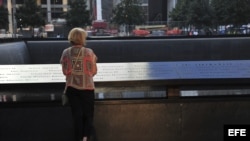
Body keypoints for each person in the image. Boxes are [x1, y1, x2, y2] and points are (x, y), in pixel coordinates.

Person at [60, 27, 98, 141]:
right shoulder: (89, 52)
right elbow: (94, 71)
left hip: (72, 89)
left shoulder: (66, 52)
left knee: (77, 115)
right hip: (87, 88)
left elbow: (65, 72)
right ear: (83, 38)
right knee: (88, 114)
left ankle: (78, 138)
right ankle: (86, 137)